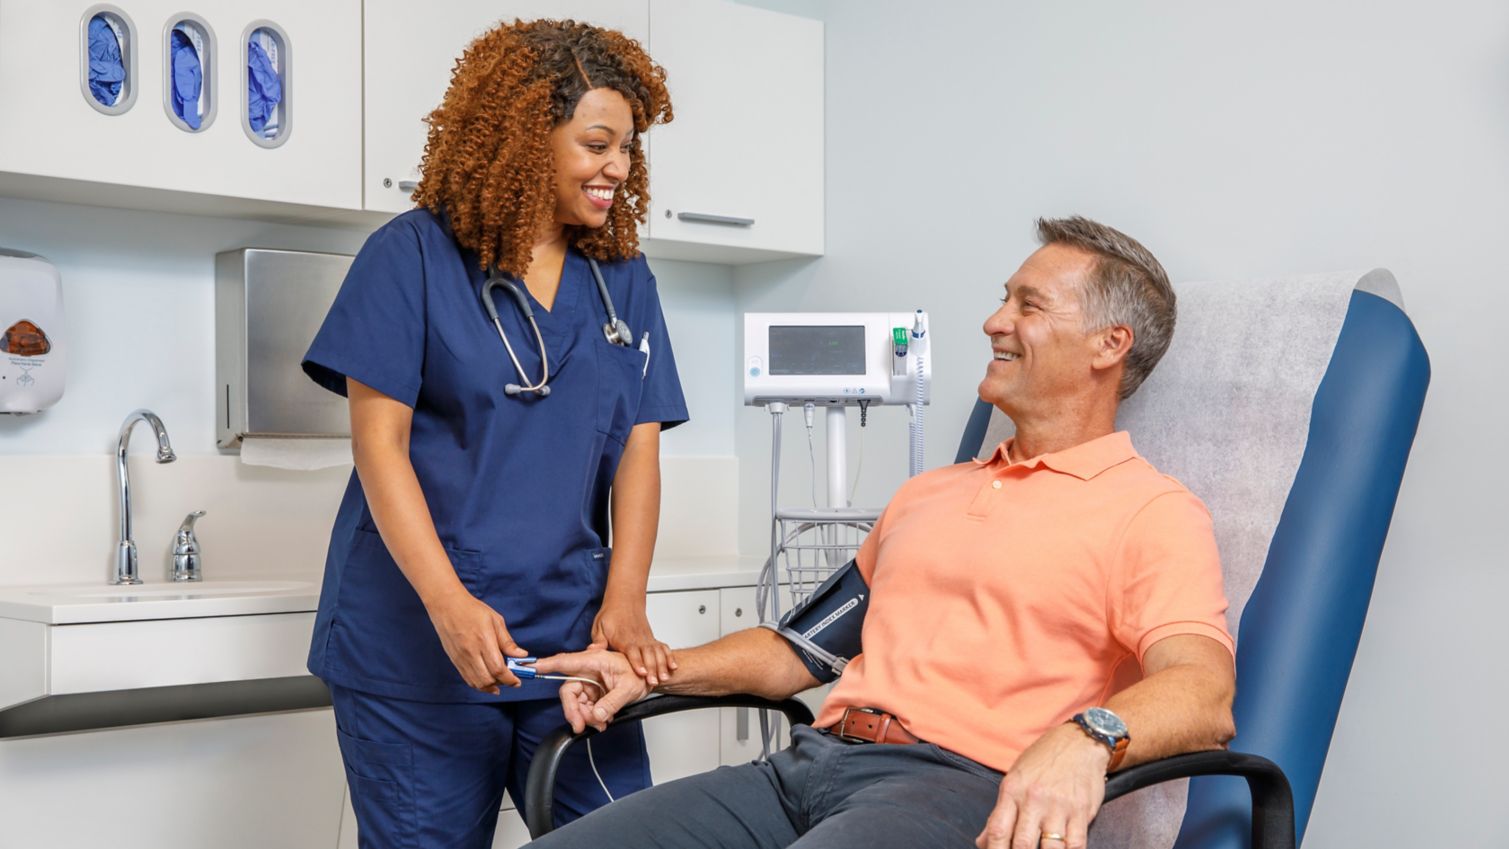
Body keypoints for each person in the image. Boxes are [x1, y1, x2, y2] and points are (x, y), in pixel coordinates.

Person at [529, 217, 1238, 849]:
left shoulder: (1149, 510)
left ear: (1108, 344)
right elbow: (792, 654)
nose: (994, 320)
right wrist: (650, 668)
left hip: (956, 787)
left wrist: (1086, 738)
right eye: (1003, 297)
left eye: (1028, 304)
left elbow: (1201, 691)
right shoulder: (927, 495)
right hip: (804, 765)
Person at [299, 19, 685, 848]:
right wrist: (447, 604)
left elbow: (639, 446)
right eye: (596, 143)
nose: (618, 166)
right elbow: (379, 448)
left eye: (628, 147)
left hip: (572, 647)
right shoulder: (409, 258)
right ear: (523, 136)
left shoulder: (623, 278)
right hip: (417, 647)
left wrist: (625, 601)